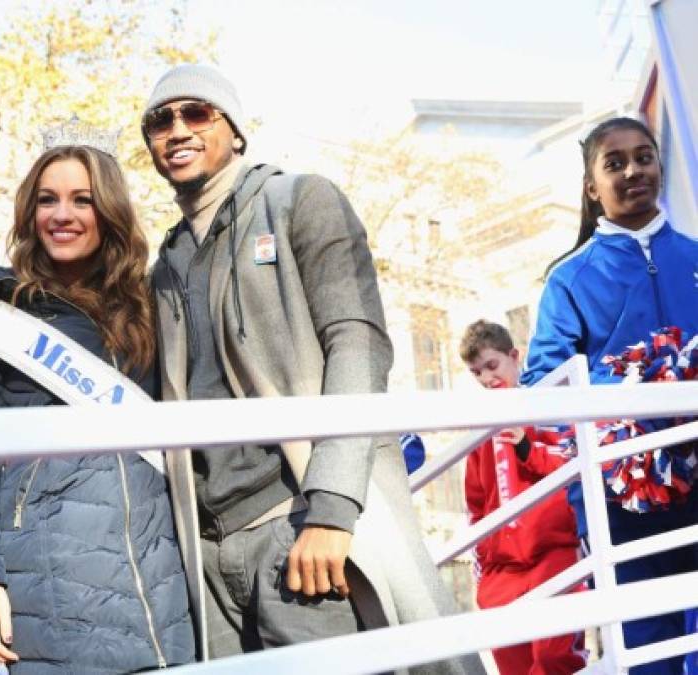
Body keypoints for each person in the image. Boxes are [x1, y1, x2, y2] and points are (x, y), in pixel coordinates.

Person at [142, 63, 483, 673]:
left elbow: (359, 343)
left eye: (196, 112)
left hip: (298, 525)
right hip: (211, 554)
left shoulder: (300, 198)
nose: (177, 129)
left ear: (235, 131)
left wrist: (328, 511)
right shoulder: (163, 266)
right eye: (159, 120)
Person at [0, 137, 194, 673]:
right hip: (52, 578)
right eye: (47, 200)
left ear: (108, 211)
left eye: (81, 200)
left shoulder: (147, 312)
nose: (62, 215)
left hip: (160, 577)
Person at [520, 116, 698, 674]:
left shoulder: (694, 255)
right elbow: (542, 385)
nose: (633, 171)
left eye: (643, 157)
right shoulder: (569, 279)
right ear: (592, 187)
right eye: (614, 163)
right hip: (622, 491)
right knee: (648, 646)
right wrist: (632, 390)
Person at [460, 321, 586, 674]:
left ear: (515, 357)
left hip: (551, 552)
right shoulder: (479, 429)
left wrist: (528, 448)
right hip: (503, 565)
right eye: (476, 373)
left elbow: (573, 459)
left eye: (492, 365)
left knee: (553, 657)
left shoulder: (545, 404)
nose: (486, 378)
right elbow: (475, 501)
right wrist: (481, 562)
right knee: (510, 661)